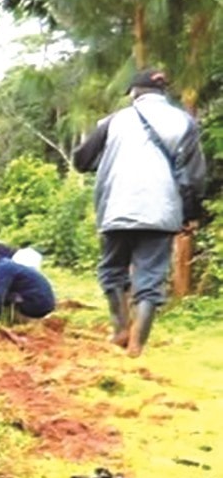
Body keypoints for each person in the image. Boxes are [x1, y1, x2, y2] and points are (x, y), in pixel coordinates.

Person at [72, 67, 208, 356]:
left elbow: (81, 160)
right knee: (150, 279)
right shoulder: (184, 122)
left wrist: (109, 161)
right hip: (163, 211)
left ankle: (120, 329)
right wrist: (189, 214)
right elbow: (194, 176)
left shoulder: (114, 121)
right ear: (163, 92)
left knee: (112, 270)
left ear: (134, 92)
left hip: (115, 208)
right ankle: (137, 344)